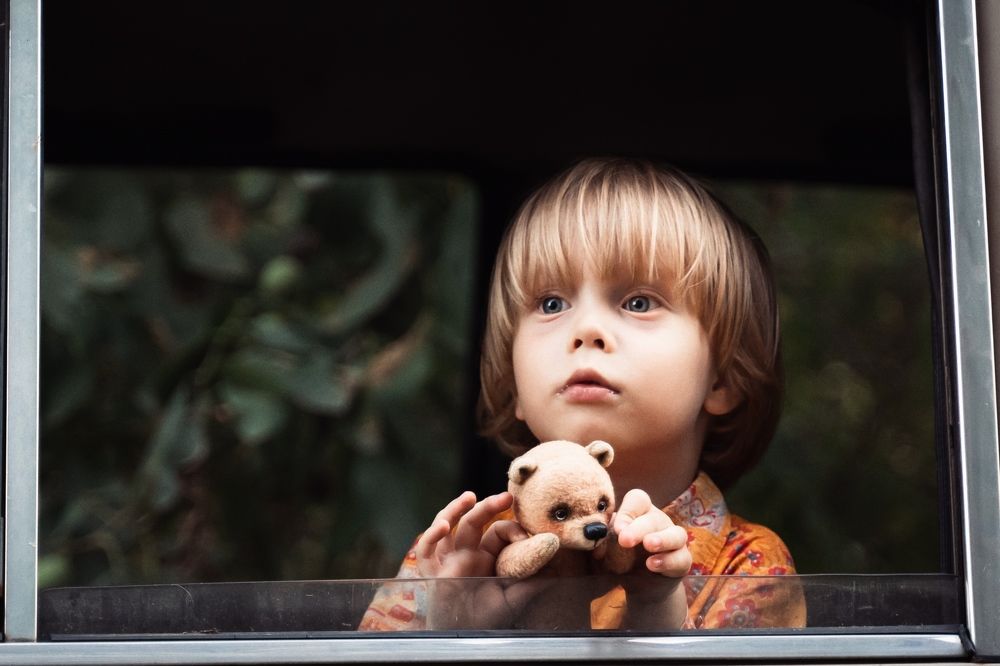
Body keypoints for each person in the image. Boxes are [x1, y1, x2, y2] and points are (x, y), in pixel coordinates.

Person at [359, 158, 805, 631]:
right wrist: (451, 628)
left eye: (639, 302)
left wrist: (656, 614)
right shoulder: (453, 557)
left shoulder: (749, 565)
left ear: (723, 379)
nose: (586, 329)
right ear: (516, 390)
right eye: (551, 304)